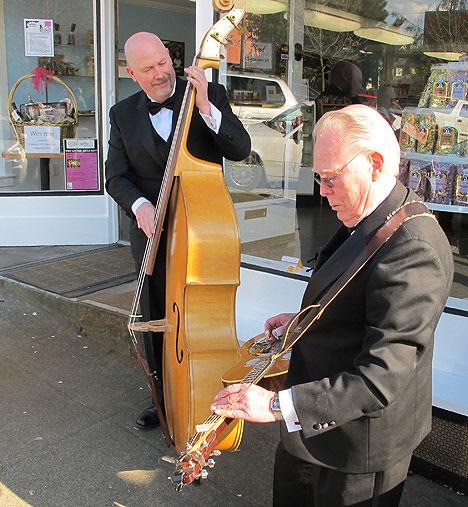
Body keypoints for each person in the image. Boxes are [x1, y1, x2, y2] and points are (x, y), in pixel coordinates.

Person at [212, 104, 453, 506]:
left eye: (331, 178)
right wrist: (304, 321)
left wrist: (272, 404)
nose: (322, 192)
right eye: (318, 178)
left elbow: (380, 379)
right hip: (312, 427)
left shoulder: (415, 248)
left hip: (356, 449)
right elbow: (357, 303)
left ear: (374, 164)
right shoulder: (370, 216)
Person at [105, 32, 251, 430]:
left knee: (200, 321)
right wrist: (140, 206)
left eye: (163, 63)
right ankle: (164, 398)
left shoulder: (207, 92)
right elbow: (114, 177)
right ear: (132, 74)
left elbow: (240, 148)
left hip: (200, 236)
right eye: (148, 69)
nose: (160, 74)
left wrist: (205, 107)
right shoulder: (122, 114)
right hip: (152, 238)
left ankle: (204, 393)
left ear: (172, 58)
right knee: (158, 317)